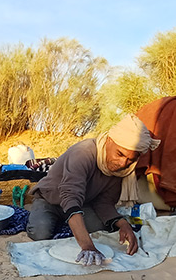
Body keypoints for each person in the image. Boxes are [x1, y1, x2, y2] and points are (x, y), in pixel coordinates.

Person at [26, 114, 160, 266]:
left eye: (131, 159)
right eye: (120, 154)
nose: (123, 163)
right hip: (50, 199)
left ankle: (70, 220)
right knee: (40, 233)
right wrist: (87, 246)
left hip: (82, 203)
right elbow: (70, 195)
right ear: (109, 140)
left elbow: (104, 202)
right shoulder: (83, 153)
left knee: (101, 229)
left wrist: (124, 225)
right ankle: (44, 213)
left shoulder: (120, 170)